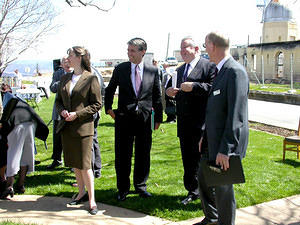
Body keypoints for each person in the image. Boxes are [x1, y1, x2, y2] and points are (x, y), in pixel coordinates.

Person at [194, 32, 249, 225]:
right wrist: (205, 135)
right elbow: (215, 109)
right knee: (203, 177)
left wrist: (226, 150)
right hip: (212, 139)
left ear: (213, 46)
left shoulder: (235, 72)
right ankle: (212, 217)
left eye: (205, 45)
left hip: (226, 144)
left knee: (224, 189)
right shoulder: (220, 71)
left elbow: (236, 115)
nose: (204, 49)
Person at [104, 37, 163, 201]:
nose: (129, 53)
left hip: (144, 119)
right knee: (123, 154)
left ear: (142, 52)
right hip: (124, 118)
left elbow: (157, 95)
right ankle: (123, 188)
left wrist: (158, 117)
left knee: (143, 154)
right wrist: (109, 108)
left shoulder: (153, 70)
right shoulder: (121, 69)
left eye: (132, 51)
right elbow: (110, 89)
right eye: (128, 50)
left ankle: (140, 186)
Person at [166, 37, 215, 205]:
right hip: (184, 124)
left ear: (196, 49)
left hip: (202, 123)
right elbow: (168, 87)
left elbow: (213, 89)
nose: (183, 51)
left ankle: (209, 193)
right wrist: (169, 91)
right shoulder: (179, 70)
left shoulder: (208, 67)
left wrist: (194, 86)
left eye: (185, 48)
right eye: (181, 49)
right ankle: (192, 191)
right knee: (188, 160)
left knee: (204, 160)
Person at [55, 46, 101, 215]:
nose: (68, 58)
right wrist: (63, 111)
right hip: (67, 127)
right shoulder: (65, 78)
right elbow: (58, 101)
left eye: (71, 55)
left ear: (79, 58)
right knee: (75, 163)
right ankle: (81, 193)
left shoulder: (91, 78)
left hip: (83, 128)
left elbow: (97, 104)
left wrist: (77, 114)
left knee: (85, 165)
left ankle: (92, 200)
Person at [0, 88, 49, 199]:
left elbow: (4, 123)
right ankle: (21, 185)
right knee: (26, 155)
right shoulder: (14, 98)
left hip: (17, 124)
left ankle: (9, 186)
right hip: (31, 121)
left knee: (13, 154)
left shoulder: (5, 102)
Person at [47, 57, 72, 170]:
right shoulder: (58, 74)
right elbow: (52, 88)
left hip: (71, 111)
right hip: (58, 111)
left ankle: (72, 163)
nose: (67, 65)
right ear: (61, 64)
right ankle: (57, 159)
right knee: (57, 137)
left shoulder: (76, 74)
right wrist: (62, 81)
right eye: (65, 63)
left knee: (71, 138)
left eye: (69, 62)